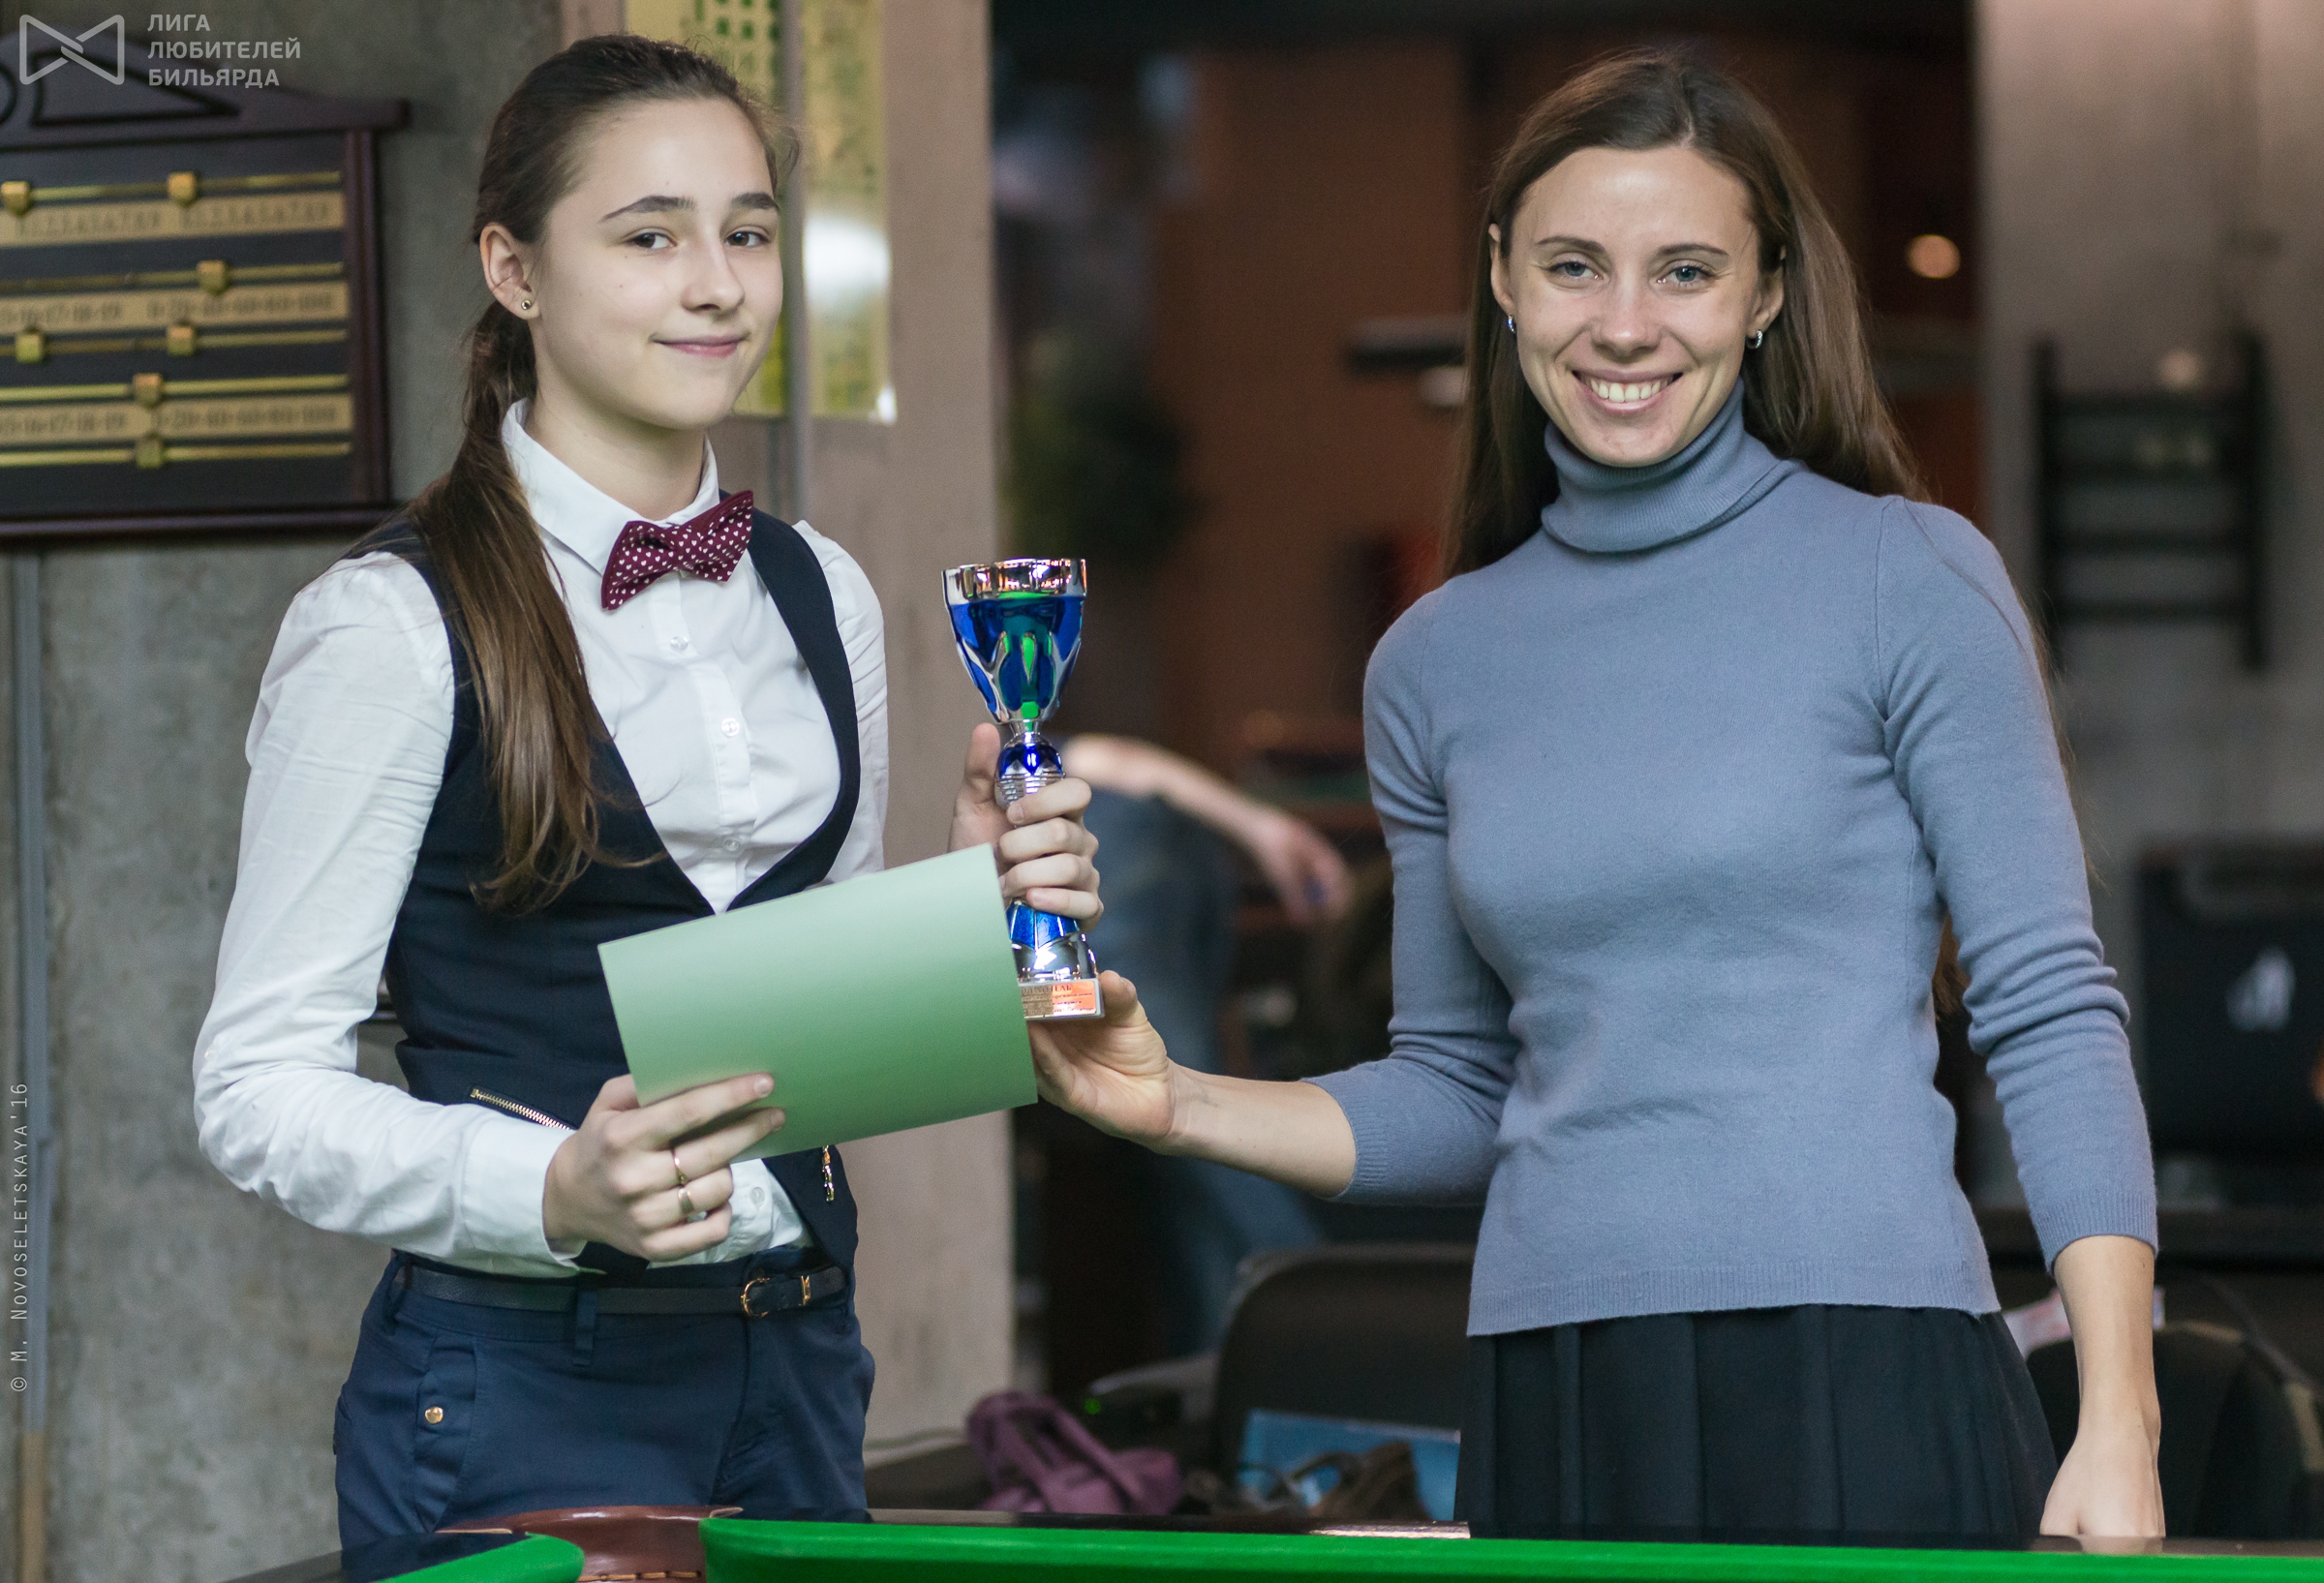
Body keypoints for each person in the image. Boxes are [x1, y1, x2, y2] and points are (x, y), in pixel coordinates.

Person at [1026, 50, 2164, 1541]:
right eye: (1575, 265)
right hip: (1553, 1383)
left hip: (1860, 1358)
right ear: (1505, 279)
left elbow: (2050, 1005)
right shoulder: (1435, 661)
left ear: (1765, 295)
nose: (1625, 324)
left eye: (1686, 270)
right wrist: (1176, 1101)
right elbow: (1458, 1085)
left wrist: (2121, 1413)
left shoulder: (1910, 576)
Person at [190, 36, 1100, 1545]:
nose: (718, 285)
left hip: (799, 1349)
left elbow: (799, 1018)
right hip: (519, 1378)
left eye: (749, 232)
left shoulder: (821, 588)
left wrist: (963, 914)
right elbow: (254, 1088)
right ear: (515, 270)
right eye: (650, 237)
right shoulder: (389, 624)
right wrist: (549, 1184)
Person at [1061, 734, 1351, 1351]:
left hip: (1116, 873)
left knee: (1190, 1130)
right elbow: (1117, 764)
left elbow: (1101, 761)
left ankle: (1330, 1323)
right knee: (1183, 1150)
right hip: (1172, 855)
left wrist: (1262, 829)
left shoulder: (1023, 753)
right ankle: (1234, 1368)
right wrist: (1259, 826)